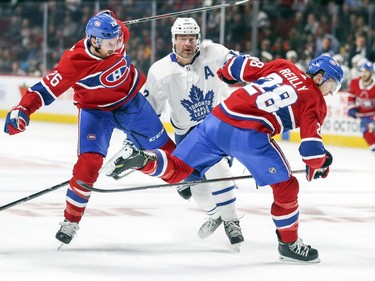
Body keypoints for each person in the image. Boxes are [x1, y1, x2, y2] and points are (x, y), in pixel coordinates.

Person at [106, 54, 343, 263]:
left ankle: (144, 160)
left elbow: (235, 66)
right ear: (320, 77)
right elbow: (311, 154)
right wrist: (322, 163)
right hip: (249, 134)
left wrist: (224, 74)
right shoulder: (315, 101)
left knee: (180, 170)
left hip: (217, 119)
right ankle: (289, 245)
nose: (331, 92)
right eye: (332, 84)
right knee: (287, 187)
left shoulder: (284, 66)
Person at [3, 10, 175, 246]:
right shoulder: (74, 61)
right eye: (110, 42)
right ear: (94, 41)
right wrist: (22, 109)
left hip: (131, 101)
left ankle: (182, 179)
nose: (117, 45)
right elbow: (44, 89)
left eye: (118, 39)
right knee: (89, 164)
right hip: (97, 112)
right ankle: (71, 220)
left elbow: (110, 17)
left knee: (166, 149)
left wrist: (109, 18)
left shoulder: (118, 33)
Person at [138, 17, 243, 245]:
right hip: (185, 134)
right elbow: (149, 111)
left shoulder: (214, 53)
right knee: (194, 186)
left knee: (218, 169)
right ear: (173, 41)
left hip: (216, 126)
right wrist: (136, 140)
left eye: (192, 38)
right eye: (182, 38)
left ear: (199, 40)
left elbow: (237, 63)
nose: (187, 43)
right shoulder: (160, 70)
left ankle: (232, 221)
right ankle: (216, 215)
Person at [347, 61, 375, 155]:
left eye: (366, 71)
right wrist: (353, 110)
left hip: (373, 115)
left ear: (372, 73)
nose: (363, 74)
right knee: (367, 135)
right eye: (362, 71)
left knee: (372, 128)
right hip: (363, 117)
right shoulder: (355, 83)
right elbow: (351, 99)